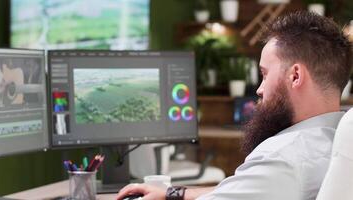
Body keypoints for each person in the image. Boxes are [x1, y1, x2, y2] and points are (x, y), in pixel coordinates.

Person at [116, 11, 352, 200]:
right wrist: (174, 193)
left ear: (295, 76)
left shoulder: (282, 158)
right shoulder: (339, 143)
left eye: (264, 74)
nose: (259, 89)